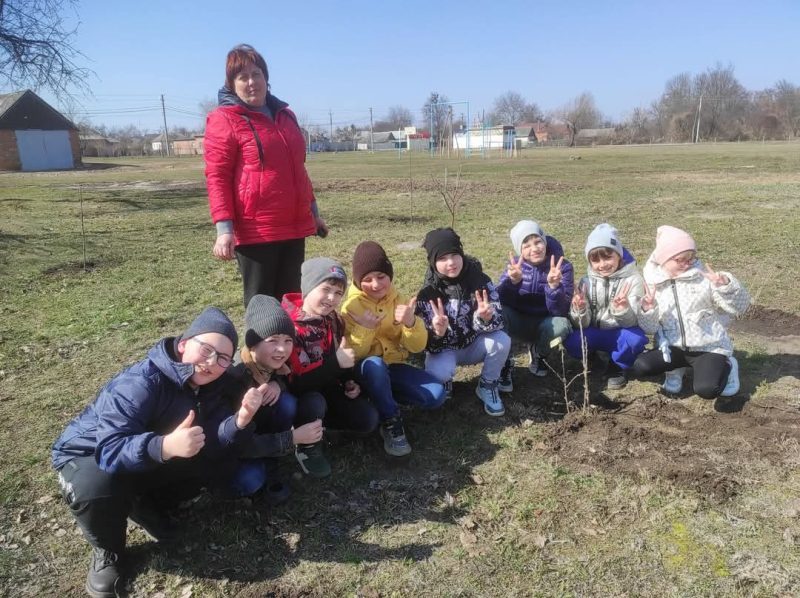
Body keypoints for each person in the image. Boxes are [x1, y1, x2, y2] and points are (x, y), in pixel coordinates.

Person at [51, 308, 264, 598]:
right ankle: (108, 550)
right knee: (97, 486)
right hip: (89, 454)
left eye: (223, 359)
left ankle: (145, 503)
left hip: (152, 450)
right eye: (206, 350)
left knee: (208, 460)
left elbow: (213, 440)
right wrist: (165, 446)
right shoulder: (140, 382)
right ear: (183, 344)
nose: (211, 363)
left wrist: (241, 419)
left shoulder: (213, 385)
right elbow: (110, 449)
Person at [204, 44, 328, 306]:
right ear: (232, 84)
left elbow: (298, 170)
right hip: (256, 230)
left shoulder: (285, 115)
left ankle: (291, 348)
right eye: (242, 77)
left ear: (266, 77)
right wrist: (224, 229)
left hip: (294, 227)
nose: (251, 82)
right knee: (262, 308)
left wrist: (314, 214)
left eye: (256, 74)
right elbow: (217, 177)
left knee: (292, 303)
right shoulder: (224, 119)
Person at [341, 241, 446, 457]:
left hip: (392, 366)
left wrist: (410, 323)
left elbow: (417, 347)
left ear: (390, 275)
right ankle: (390, 420)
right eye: (367, 279)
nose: (376, 284)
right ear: (358, 281)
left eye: (381, 276)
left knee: (436, 395)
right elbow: (352, 356)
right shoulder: (350, 308)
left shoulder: (400, 300)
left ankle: (379, 396)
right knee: (375, 365)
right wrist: (365, 329)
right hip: (364, 368)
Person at [281, 257, 378, 476]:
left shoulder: (332, 319)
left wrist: (348, 381)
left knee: (368, 419)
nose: (331, 298)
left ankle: (324, 426)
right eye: (325, 289)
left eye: (338, 293)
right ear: (308, 288)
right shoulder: (288, 327)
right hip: (301, 396)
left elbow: (339, 355)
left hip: (329, 387)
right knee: (315, 401)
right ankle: (307, 446)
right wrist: (336, 364)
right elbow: (295, 384)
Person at [632, 225, 750, 399]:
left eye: (691, 257)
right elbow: (650, 328)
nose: (688, 263)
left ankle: (728, 365)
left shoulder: (704, 278)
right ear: (664, 260)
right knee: (642, 366)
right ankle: (675, 369)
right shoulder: (653, 284)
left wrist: (725, 286)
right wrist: (647, 309)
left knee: (707, 389)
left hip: (709, 348)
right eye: (681, 259)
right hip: (673, 348)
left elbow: (740, 307)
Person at [228, 294, 326, 498]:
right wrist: (293, 438)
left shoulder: (273, 367)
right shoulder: (235, 378)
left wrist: (277, 384)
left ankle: (272, 461)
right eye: (272, 340)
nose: (282, 349)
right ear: (253, 344)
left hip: (260, 436)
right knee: (249, 480)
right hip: (237, 449)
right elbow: (236, 443)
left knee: (287, 402)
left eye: (288, 340)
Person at [415, 228, 511, 417]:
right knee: (438, 373)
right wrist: (437, 332)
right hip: (444, 349)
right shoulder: (427, 293)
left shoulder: (481, 281)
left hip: (473, 343)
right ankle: (445, 381)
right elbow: (424, 342)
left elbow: (499, 321)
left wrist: (485, 319)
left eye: (454, 255)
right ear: (433, 262)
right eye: (442, 258)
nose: (450, 263)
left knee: (502, 341)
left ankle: (487, 385)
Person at [564, 224, 649, 390]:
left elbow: (631, 322)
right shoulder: (586, 282)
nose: (602, 264)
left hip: (619, 332)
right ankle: (592, 357)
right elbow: (582, 325)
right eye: (595, 260)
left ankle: (618, 365)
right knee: (572, 339)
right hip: (595, 331)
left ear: (619, 255)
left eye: (608, 257)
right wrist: (579, 309)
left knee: (636, 339)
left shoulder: (634, 280)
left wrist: (622, 309)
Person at [496, 220, 574, 389]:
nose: (535, 248)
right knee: (497, 313)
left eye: (538, 241)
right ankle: (504, 364)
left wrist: (554, 287)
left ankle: (539, 353)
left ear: (544, 242)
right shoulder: (515, 266)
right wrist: (513, 282)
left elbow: (562, 310)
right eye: (527, 245)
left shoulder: (563, 267)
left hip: (546, 324)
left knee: (563, 326)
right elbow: (500, 301)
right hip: (519, 322)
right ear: (520, 250)